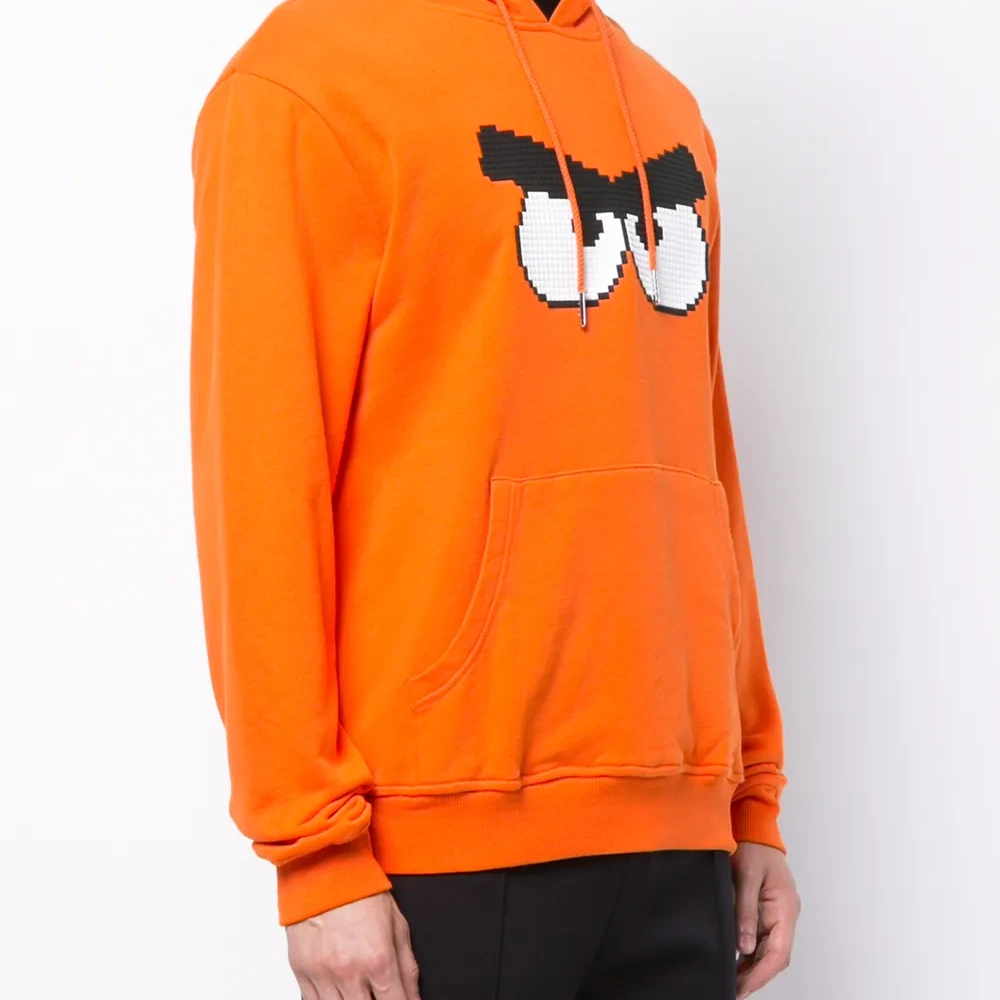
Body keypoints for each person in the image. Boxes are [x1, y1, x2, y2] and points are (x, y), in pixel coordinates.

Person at [188, 0, 801, 997]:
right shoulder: (306, 82)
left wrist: (749, 797)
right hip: (438, 840)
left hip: (684, 833)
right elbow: (259, 486)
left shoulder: (664, 108)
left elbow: (700, 458)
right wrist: (313, 851)